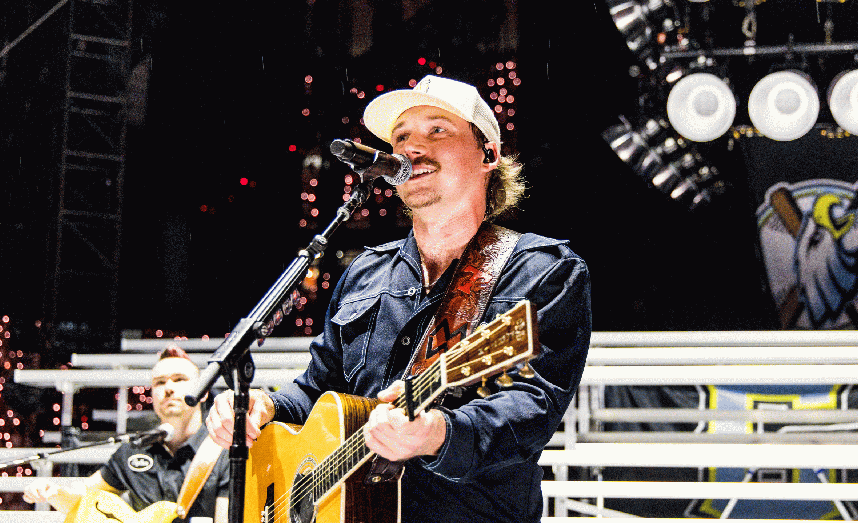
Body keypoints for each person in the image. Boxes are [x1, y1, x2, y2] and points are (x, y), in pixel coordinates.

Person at [207, 74, 592, 522]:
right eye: (402, 137)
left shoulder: (543, 270)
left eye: (438, 130)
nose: (411, 148)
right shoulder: (365, 273)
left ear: (488, 154)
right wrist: (268, 405)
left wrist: (437, 434)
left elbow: (532, 407)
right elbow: (319, 386)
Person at [23, 346, 230, 523]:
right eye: (159, 382)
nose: (168, 388)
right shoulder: (134, 450)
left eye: (179, 379)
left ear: (203, 392)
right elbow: (82, 502)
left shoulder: (224, 448)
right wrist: (53, 492)